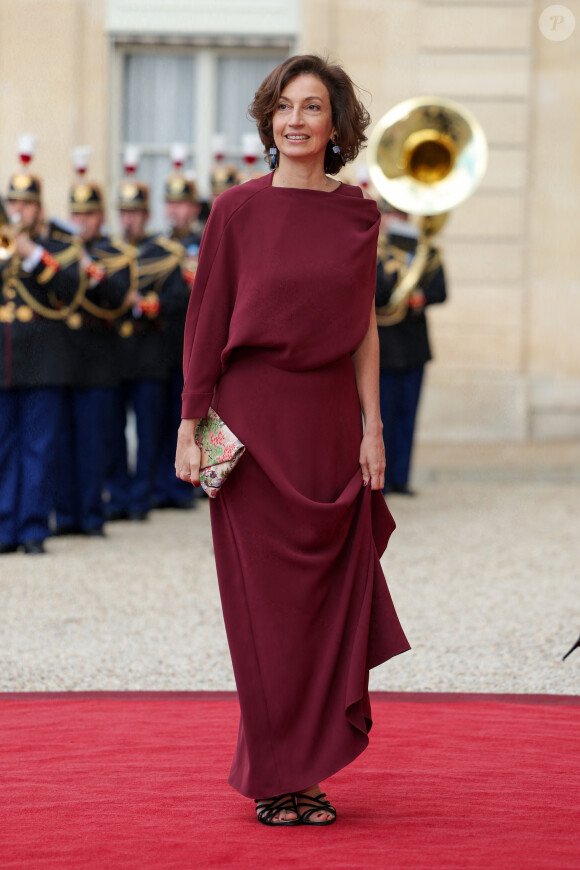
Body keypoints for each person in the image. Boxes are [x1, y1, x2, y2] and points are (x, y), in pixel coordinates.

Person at [175, 55, 410, 826]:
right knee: (267, 611)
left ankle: (307, 769)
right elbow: (207, 322)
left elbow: (364, 330)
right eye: (284, 106)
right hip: (249, 428)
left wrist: (374, 428)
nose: (296, 120)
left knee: (324, 604)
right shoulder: (236, 211)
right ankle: (279, 776)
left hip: (330, 427)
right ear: (268, 120)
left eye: (312, 107)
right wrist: (190, 424)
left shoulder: (358, 214)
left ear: (336, 124)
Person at [0, 159, 83, 554]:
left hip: (45, 362)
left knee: (38, 449)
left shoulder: (60, 249)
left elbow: (69, 291)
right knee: (3, 447)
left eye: (26, 203)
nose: (19, 210)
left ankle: (32, 528)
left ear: (39, 208)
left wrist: (32, 254)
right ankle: (3, 528)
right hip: (5, 363)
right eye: (13, 202)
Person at [52, 174, 137, 536]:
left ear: (101, 217)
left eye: (88, 214)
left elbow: (120, 297)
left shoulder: (115, 255)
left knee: (93, 443)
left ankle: (90, 515)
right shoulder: (58, 253)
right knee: (62, 443)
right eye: (76, 213)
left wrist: (89, 264)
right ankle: (67, 514)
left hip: (99, 360)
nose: (81, 220)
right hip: (62, 359)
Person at [104, 176, 188, 521]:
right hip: (114, 356)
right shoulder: (106, 253)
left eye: (135, 212)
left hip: (150, 353)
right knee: (112, 432)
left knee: (149, 431)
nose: (129, 219)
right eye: (124, 212)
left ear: (145, 215)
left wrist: (144, 304)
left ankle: (142, 495)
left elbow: (176, 299)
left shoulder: (164, 254)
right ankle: (119, 494)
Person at [375, 205, 447, 495]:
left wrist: (421, 297)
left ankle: (401, 478)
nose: (396, 219)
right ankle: (382, 478)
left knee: (408, 414)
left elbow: (440, 291)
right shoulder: (374, 250)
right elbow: (377, 293)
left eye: (401, 214)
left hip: (413, 345)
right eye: (390, 213)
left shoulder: (426, 252)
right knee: (383, 416)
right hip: (384, 346)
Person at [153, 156, 202, 509]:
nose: (176, 211)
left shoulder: (204, 240)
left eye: (182, 204)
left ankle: (184, 485)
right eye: (171, 203)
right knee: (158, 419)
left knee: (189, 417)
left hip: (196, 341)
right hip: (162, 341)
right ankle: (159, 484)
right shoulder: (157, 246)